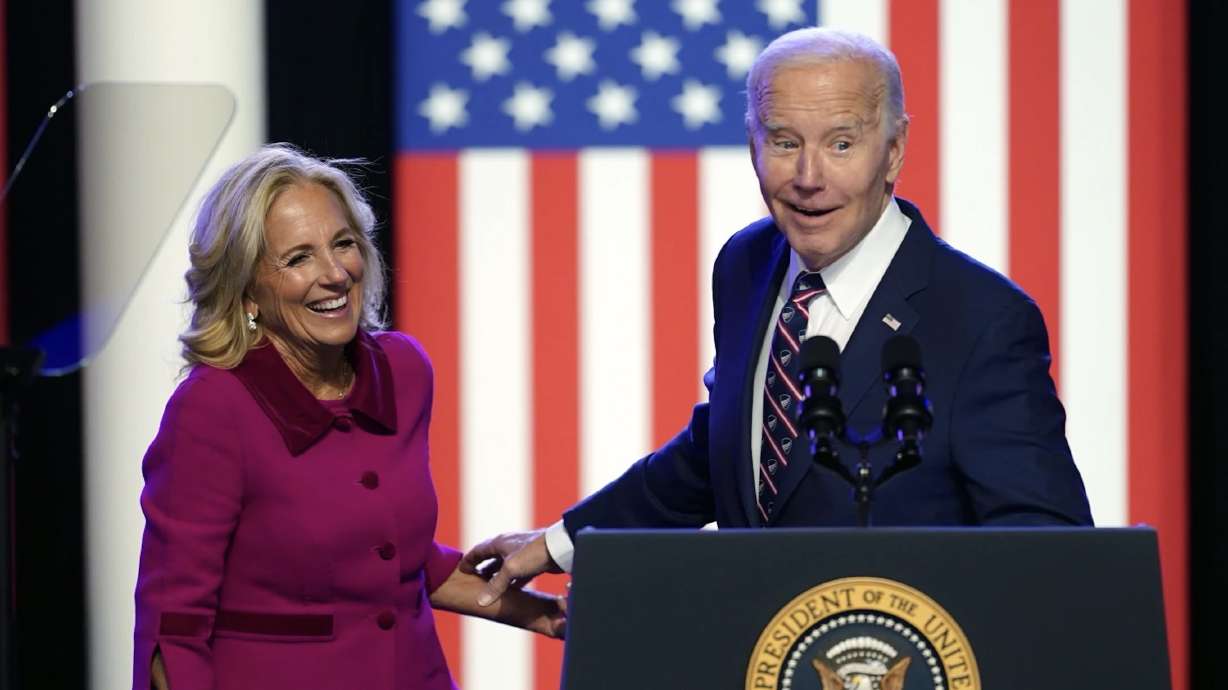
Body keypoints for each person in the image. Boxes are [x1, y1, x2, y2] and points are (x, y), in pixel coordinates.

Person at [461, 27, 1093, 605]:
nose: (808, 177)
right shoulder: (746, 263)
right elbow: (729, 447)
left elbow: (1044, 548)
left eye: (841, 143)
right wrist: (560, 542)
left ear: (894, 151)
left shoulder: (982, 319)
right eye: (785, 143)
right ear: (753, 145)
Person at [133, 144, 565, 690]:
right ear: (247, 292)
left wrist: (545, 615)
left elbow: (394, 561)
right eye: (299, 258)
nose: (335, 274)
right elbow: (173, 625)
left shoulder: (402, 371)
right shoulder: (212, 409)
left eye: (344, 244)